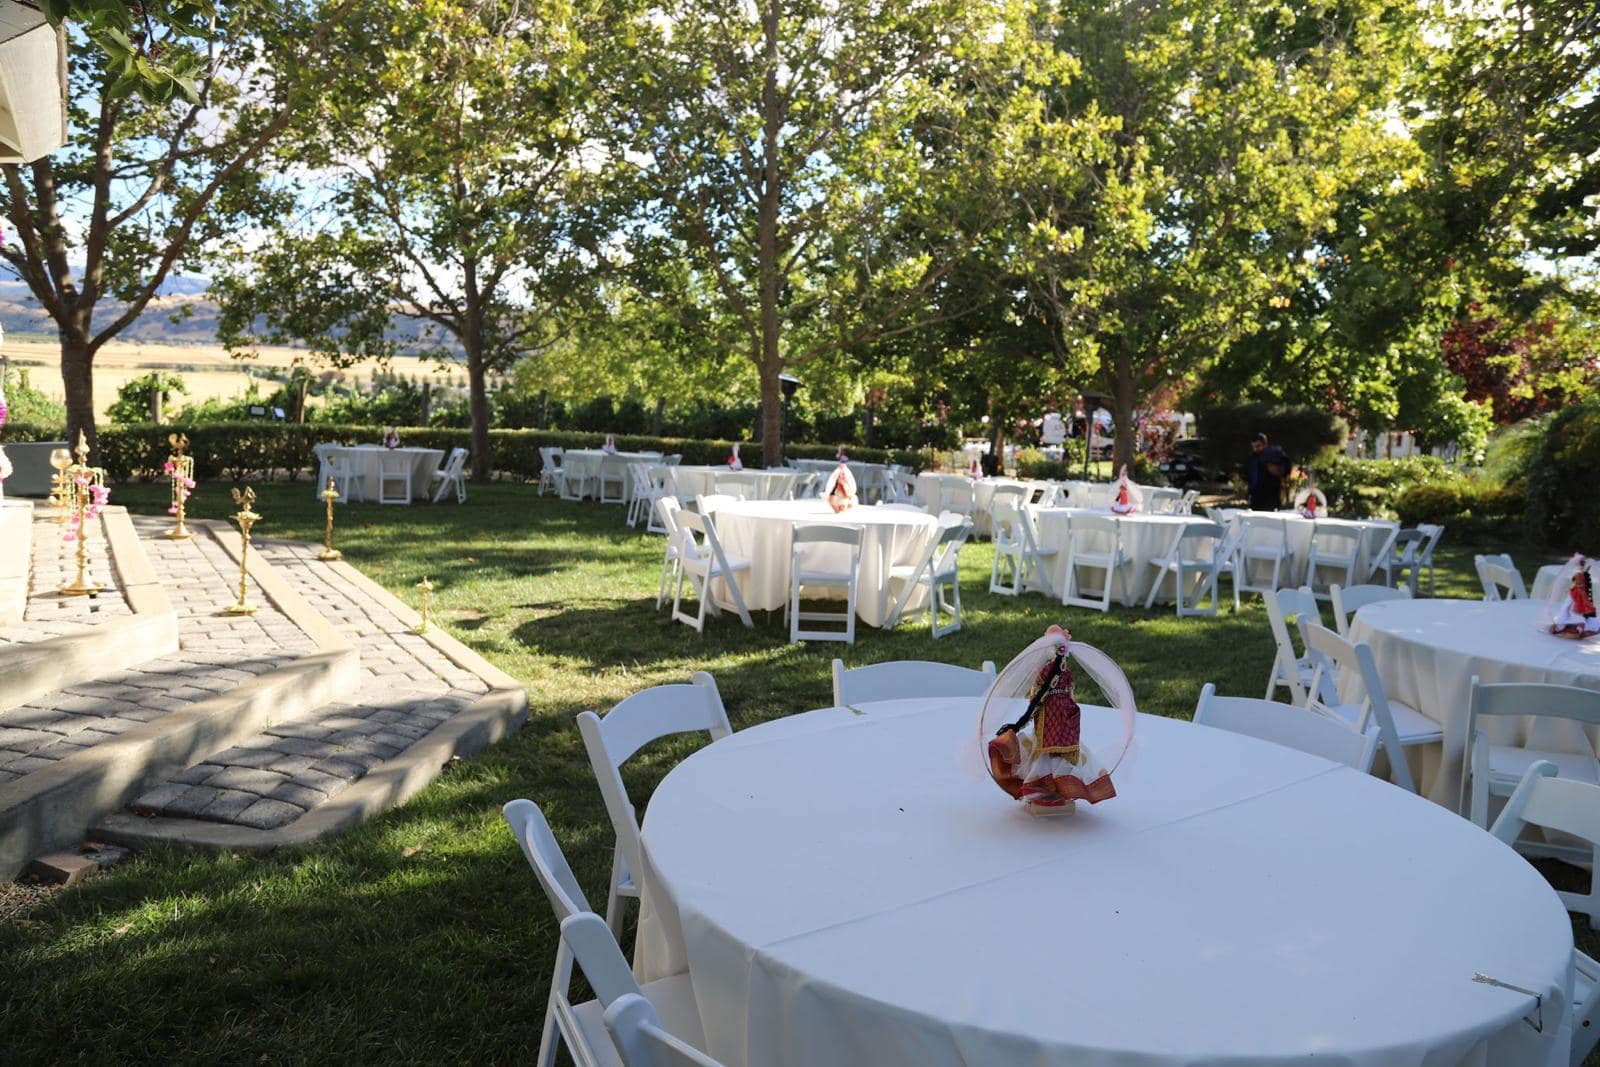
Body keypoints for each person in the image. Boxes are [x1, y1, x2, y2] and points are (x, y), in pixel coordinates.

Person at [1246, 432, 1289, 511]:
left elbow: (1286, 468)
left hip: (1272, 498)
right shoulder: (1252, 458)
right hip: (1256, 499)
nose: (1255, 449)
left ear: (1265, 444)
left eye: (1258, 446)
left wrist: (1278, 470)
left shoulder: (1275, 454)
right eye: (1253, 447)